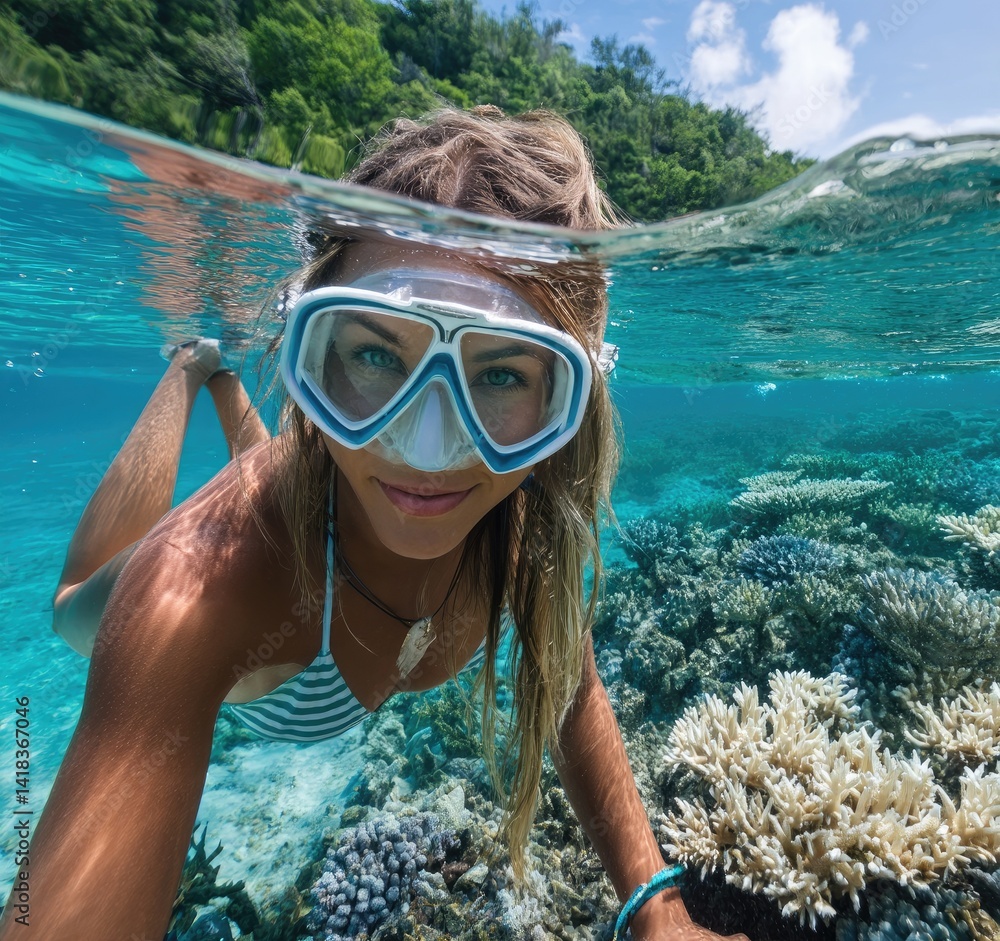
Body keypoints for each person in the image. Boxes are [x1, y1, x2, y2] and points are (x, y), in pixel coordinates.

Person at [0, 106, 748, 941]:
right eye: (371, 354)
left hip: (319, 479)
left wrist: (662, 912)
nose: (428, 449)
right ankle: (191, 368)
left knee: (334, 458)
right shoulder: (190, 594)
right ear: (308, 354)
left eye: (500, 374)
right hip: (234, 541)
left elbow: (573, 690)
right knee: (75, 607)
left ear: (568, 407)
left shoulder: (524, 530)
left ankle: (255, 392)